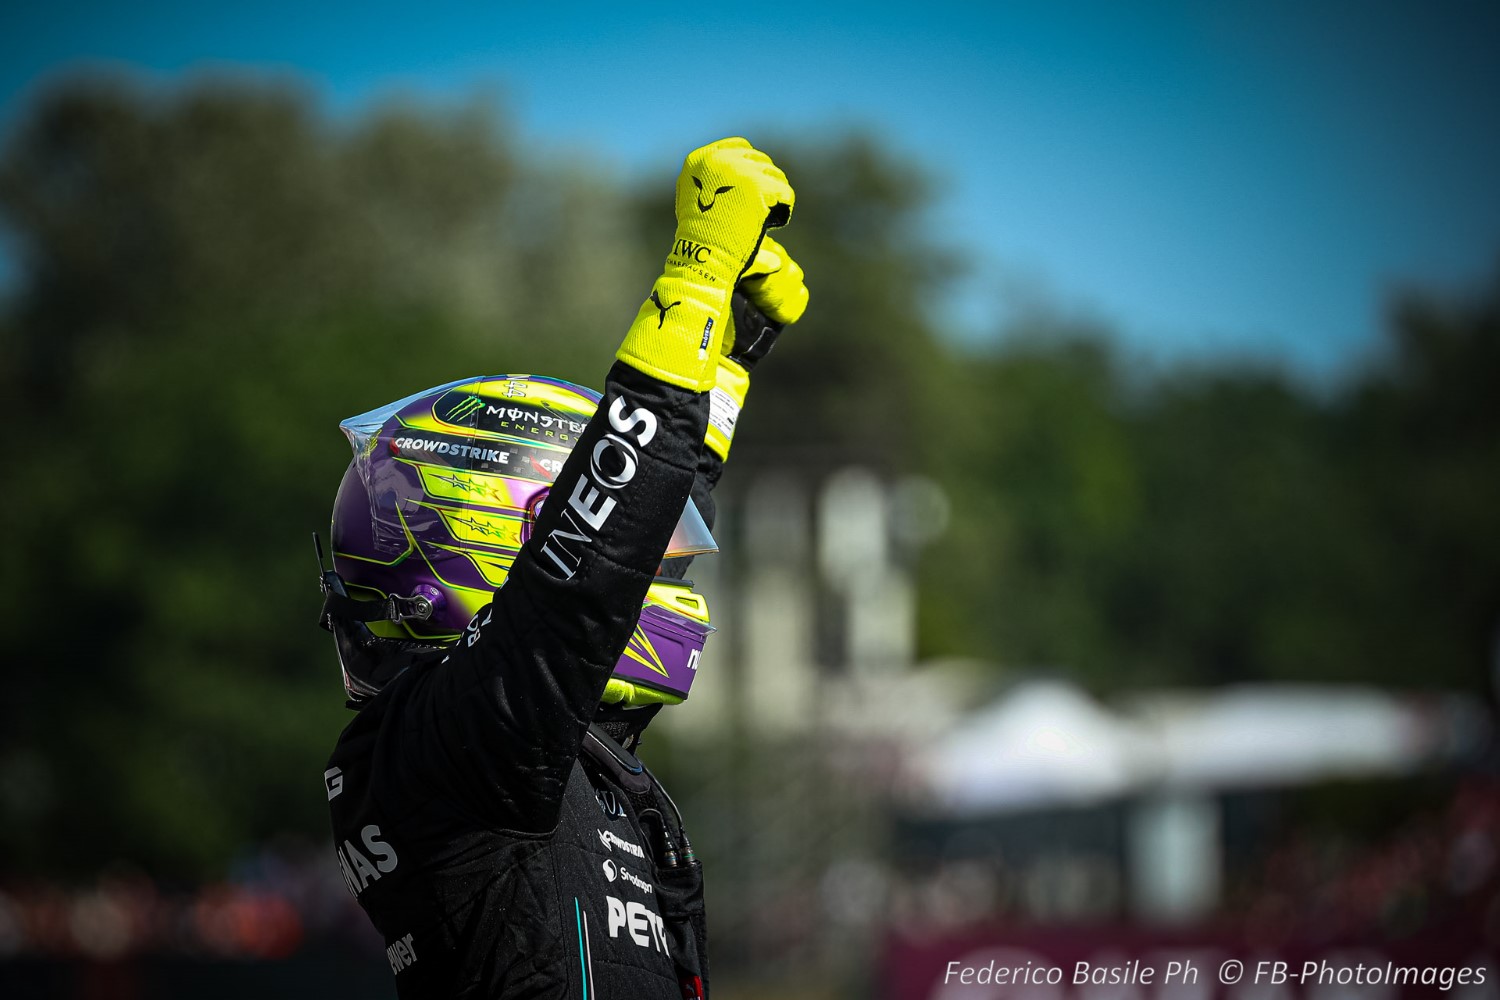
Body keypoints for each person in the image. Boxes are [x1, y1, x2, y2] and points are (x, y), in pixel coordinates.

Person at [315, 138, 808, 999]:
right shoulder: (447, 743)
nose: (666, 579)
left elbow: (635, 532)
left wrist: (725, 361)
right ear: (501, 541)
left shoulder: (530, 745)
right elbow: (588, 581)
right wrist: (694, 272)